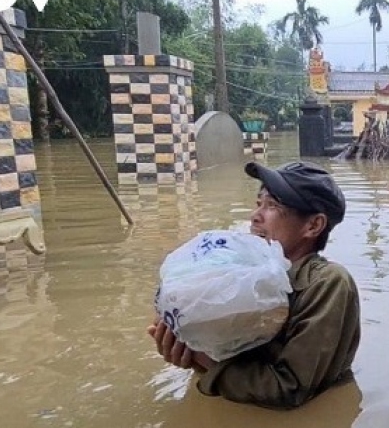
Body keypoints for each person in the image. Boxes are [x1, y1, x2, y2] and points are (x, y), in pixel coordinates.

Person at [147, 160, 361, 410]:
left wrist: (203, 360)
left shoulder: (328, 283)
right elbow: (223, 353)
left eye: (272, 206)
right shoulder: (240, 274)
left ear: (313, 225)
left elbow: (289, 389)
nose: (255, 216)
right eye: (258, 204)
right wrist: (187, 345)